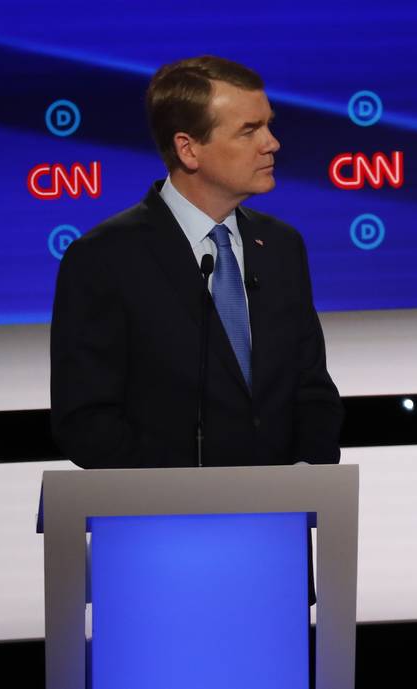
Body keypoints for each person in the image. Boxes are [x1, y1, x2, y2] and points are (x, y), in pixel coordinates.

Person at [50, 56, 344, 469]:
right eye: (249, 130)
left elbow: (313, 392)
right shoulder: (104, 259)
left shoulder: (281, 247)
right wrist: (198, 493)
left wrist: (306, 474)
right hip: (164, 522)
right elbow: (86, 421)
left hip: (281, 515)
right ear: (188, 148)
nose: (272, 142)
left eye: (268, 124)